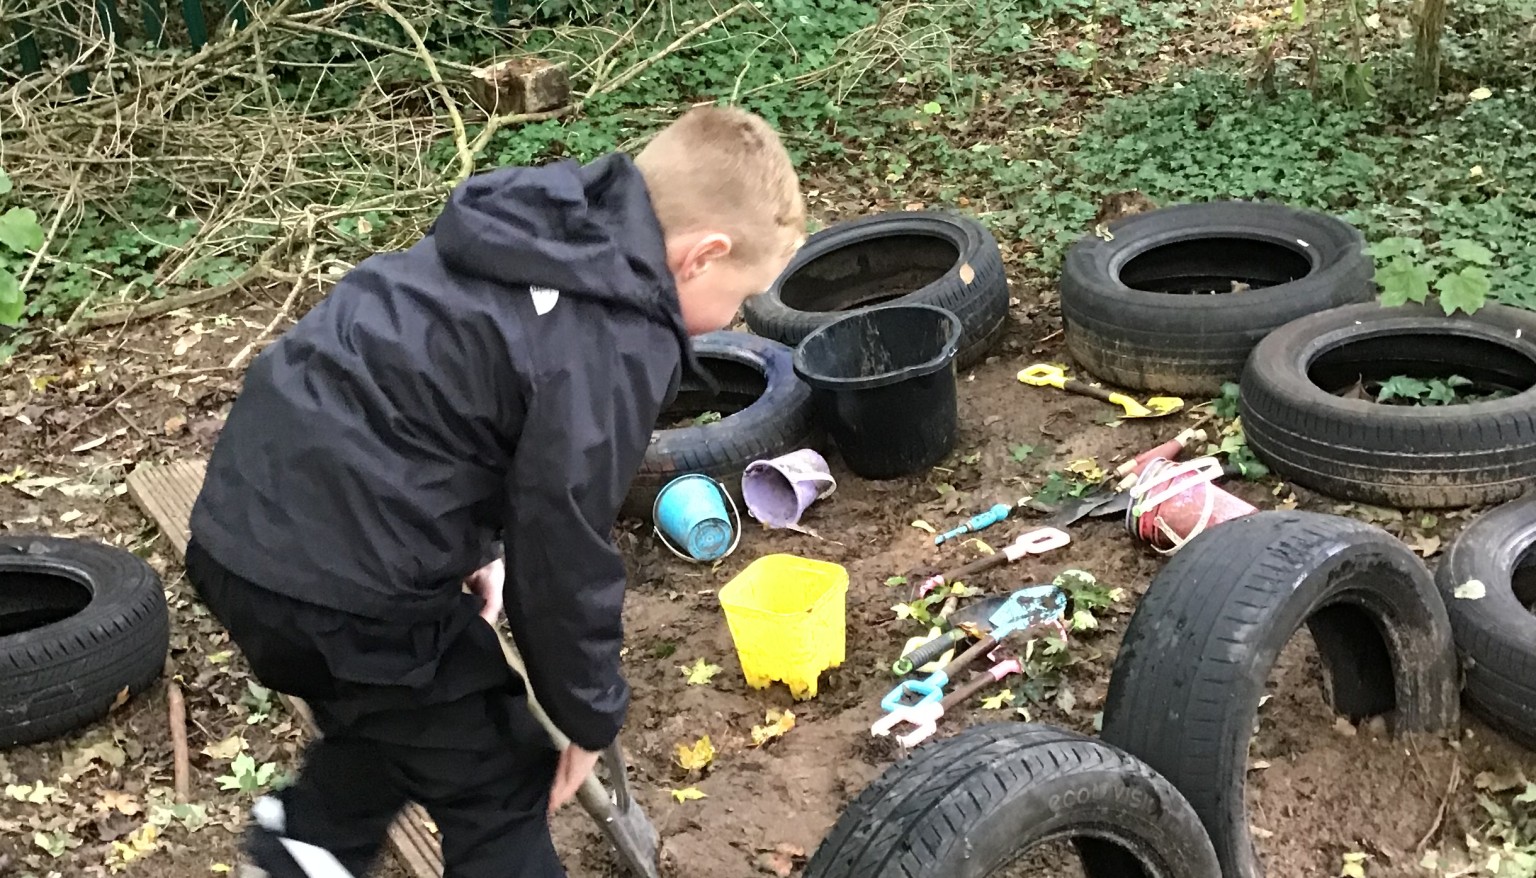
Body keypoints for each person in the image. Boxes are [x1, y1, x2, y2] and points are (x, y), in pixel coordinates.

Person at [183, 104, 806, 878]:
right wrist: (587, 711)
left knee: (409, 715)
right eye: (741, 297)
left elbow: (441, 403)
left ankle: (303, 846)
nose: (735, 318)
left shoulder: (535, 235)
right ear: (702, 255)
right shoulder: (615, 337)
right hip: (348, 585)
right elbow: (564, 542)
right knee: (506, 770)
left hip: (242, 537)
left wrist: (467, 544)